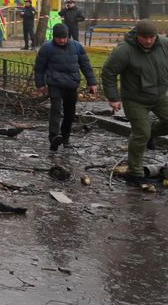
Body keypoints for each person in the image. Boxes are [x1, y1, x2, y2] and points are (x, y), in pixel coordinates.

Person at [101, 19, 168, 183]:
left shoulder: (164, 45)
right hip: (135, 99)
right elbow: (109, 72)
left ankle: (151, 134)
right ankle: (135, 172)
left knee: (150, 131)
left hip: (159, 95)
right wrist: (113, 98)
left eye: (151, 37)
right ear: (137, 35)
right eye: (144, 37)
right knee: (141, 133)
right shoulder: (125, 51)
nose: (148, 41)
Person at [34, 23, 98, 151]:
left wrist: (92, 82)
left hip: (71, 84)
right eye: (59, 38)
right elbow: (39, 68)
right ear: (54, 37)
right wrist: (40, 84)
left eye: (64, 38)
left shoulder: (77, 47)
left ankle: (65, 137)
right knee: (56, 110)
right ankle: (54, 137)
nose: (62, 40)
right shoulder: (47, 48)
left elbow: (85, 65)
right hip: (55, 84)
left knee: (70, 112)